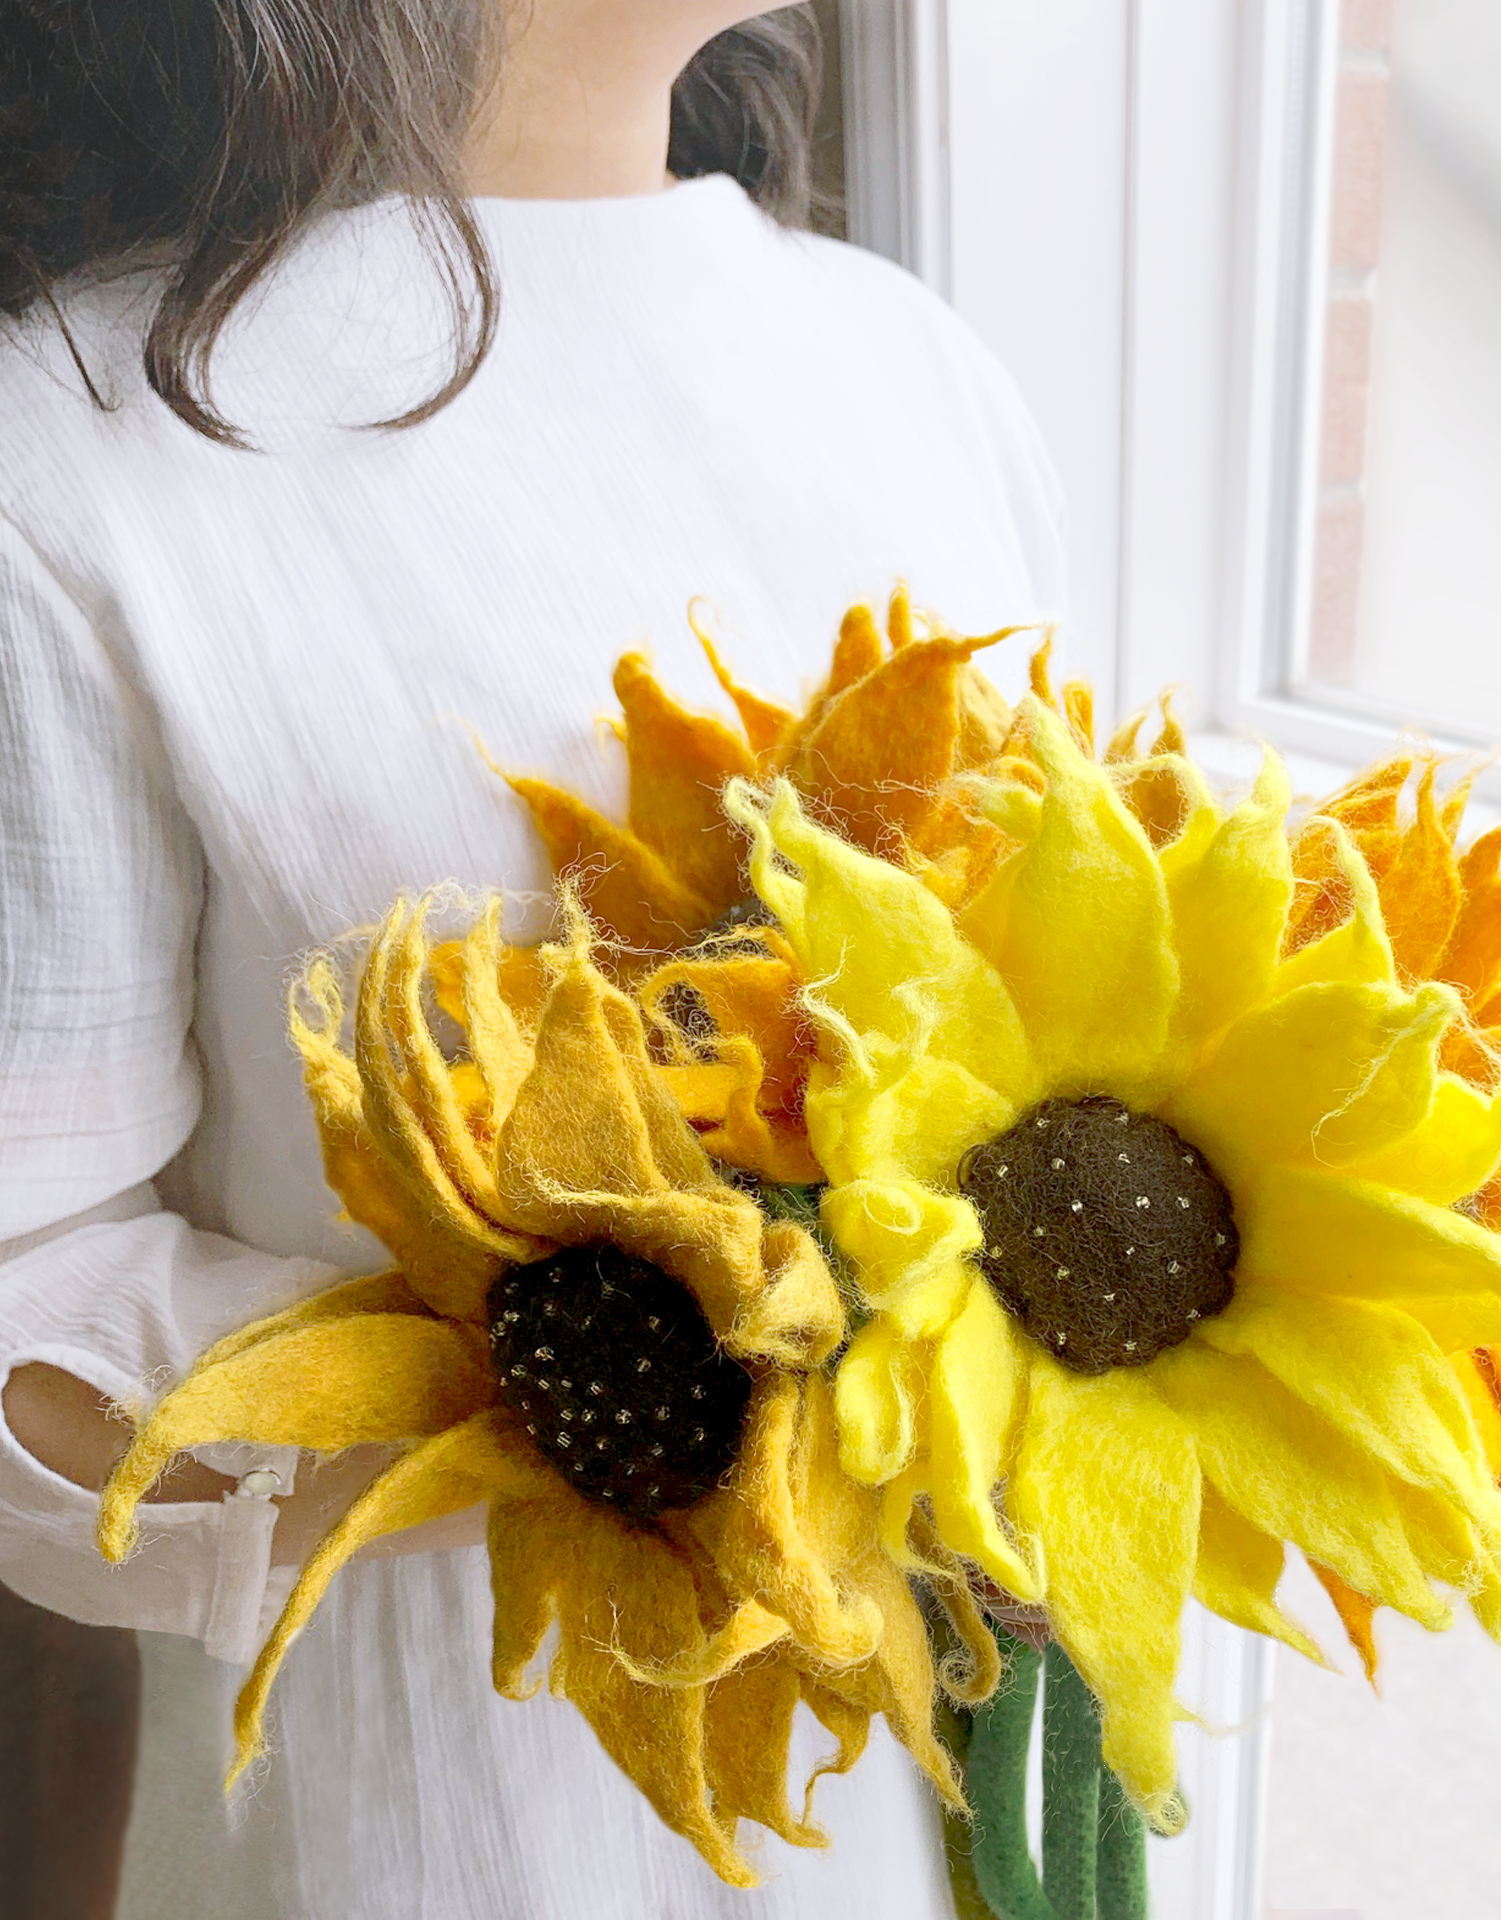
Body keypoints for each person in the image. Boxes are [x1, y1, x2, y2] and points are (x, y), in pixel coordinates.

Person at [0, 3, 1064, 1913]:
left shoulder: (909, 358)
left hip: (930, 1799)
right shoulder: (61, 459)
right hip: (422, 1838)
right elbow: (24, 1318)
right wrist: (650, 1379)